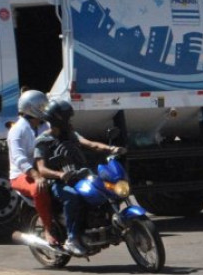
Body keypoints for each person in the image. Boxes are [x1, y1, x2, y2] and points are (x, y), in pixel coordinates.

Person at [34, 99, 126, 257]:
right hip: (58, 183)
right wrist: (60, 174)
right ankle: (72, 238)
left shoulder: (70, 134)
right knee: (73, 197)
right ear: (59, 120)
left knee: (104, 189)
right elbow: (41, 169)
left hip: (81, 176)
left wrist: (112, 148)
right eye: (67, 118)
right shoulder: (43, 141)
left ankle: (106, 224)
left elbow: (90, 144)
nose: (70, 121)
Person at [7, 90, 56, 244]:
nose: (45, 109)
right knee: (38, 188)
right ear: (31, 108)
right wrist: (36, 176)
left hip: (43, 169)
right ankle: (48, 229)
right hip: (20, 175)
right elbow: (19, 159)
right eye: (42, 106)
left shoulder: (45, 126)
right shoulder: (17, 130)